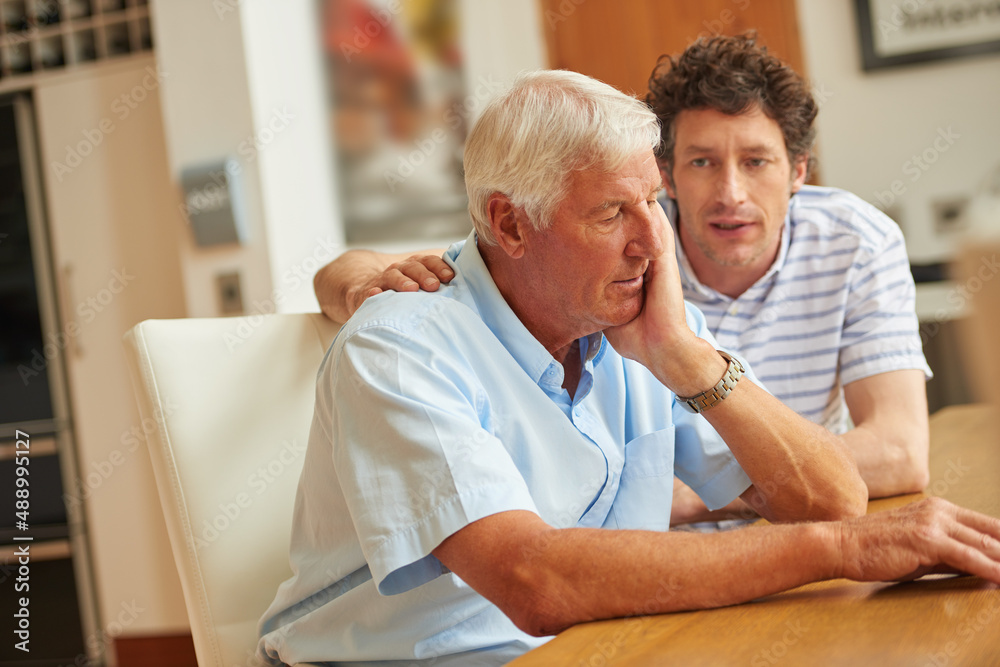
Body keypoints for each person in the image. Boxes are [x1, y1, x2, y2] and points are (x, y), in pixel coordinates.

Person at [259, 70, 1000, 667]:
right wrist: (841, 551)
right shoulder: (400, 348)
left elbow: (830, 499)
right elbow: (534, 579)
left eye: (654, 199)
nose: (657, 240)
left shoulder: (638, 322)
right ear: (511, 222)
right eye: (614, 213)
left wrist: (686, 355)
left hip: (602, 644)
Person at [313, 35, 932, 524]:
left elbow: (852, 486)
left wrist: (685, 363)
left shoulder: (651, 298)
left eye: (756, 161)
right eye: (700, 163)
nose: (730, 195)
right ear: (673, 173)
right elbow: (463, 270)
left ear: (799, 171)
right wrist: (360, 283)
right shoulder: (544, 272)